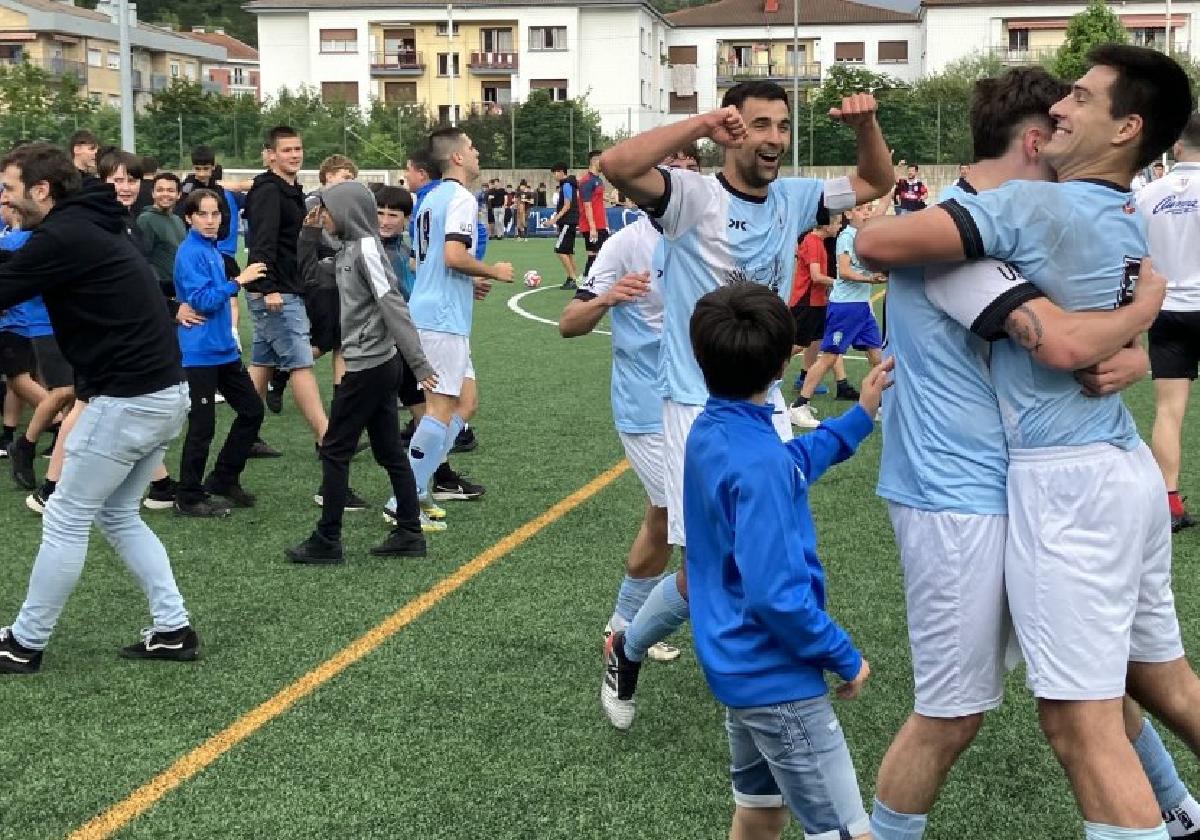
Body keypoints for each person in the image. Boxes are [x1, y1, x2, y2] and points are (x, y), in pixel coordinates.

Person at [856, 45, 1200, 840]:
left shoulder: (1045, 217)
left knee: (1085, 708)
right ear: (1031, 143)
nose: (1065, 120)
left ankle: (1173, 809)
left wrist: (1133, 350)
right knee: (969, 712)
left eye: (1082, 101)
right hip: (963, 497)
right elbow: (1060, 341)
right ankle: (1177, 809)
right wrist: (1138, 321)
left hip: (1060, 486)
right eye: (1059, 109)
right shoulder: (964, 235)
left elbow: (1077, 339)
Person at [598, 79, 893, 728]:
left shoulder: (795, 196)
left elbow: (876, 180)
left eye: (782, 126)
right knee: (705, 559)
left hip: (766, 400)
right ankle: (629, 646)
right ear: (734, 129)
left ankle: (754, 636)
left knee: (770, 533)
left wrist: (865, 125)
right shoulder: (690, 197)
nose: (775, 140)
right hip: (693, 406)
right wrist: (701, 124)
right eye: (760, 126)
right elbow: (616, 166)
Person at [684, 282, 888, 840]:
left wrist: (858, 418)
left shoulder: (711, 431)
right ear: (782, 363)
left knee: (759, 812)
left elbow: (788, 461)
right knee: (847, 832)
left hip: (736, 666)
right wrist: (842, 654)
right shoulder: (759, 464)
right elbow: (777, 595)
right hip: (778, 679)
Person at [0, 142, 197, 674]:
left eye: (10, 191)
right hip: (161, 392)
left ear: (41, 190)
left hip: (129, 399)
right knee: (115, 514)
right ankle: (173, 629)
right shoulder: (93, 221)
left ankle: (24, 643)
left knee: (64, 517)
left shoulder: (64, 234)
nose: (5, 200)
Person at [558, 147, 703, 672]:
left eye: (692, 173)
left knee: (666, 519)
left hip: (706, 401)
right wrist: (608, 297)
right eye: (673, 175)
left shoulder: (712, 237)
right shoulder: (625, 244)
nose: (683, 185)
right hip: (646, 406)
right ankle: (632, 632)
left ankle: (626, 626)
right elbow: (569, 323)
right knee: (681, 520)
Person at [287, 180, 438, 564]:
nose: (325, 217)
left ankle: (328, 540)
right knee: (389, 451)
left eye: (328, 210)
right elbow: (308, 279)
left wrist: (419, 363)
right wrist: (308, 233)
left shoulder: (366, 250)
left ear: (348, 212)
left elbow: (394, 306)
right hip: (375, 363)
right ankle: (409, 532)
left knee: (335, 451)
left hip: (368, 365)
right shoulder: (349, 251)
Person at [396, 128, 512, 526]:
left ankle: (420, 485)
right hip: (440, 319)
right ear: (458, 158)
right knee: (441, 407)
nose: (477, 152)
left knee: (466, 403)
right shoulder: (460, 198)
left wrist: (469, 279)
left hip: (439, 313)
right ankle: (405, 501)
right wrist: (492, 271)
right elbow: (452, 255)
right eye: (473, 147)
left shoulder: (429, 200)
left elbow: (423, 263)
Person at [170, 189, 266, 518]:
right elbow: (203, 301)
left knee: (252, 411)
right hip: (198, 353)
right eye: (204, 215)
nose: (211, 221)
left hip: (222, 350)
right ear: (189, 217)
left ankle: (224, 478)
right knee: (202, 426)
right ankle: (188, 496)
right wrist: (238, 280)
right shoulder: (189, 253)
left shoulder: (211, 249)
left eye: (216, 214)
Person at [243, 125, 329, 455]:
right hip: (277, 292)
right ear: (271, 155)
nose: (294, 155)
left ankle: (245, 434)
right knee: (300, 363)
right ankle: (327, 438)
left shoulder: (290, 189)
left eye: (298, 149)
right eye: (287, 150)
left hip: (288, 288)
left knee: (263, 364)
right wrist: (267, 288)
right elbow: (261, 243)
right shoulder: (268, 191)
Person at [1139, 115, 1200, 533]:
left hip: (1166, 308)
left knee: (1168, 409)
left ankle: (1169, 504)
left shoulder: (1147, 194)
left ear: (1178, 146)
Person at [790, 201, 887, 428]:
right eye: (864, 209)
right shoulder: (846, 237)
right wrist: (870, 279)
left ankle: (881, 405)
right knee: (829, 357)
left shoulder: (863, 234)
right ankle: (798, 406)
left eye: (869, 209)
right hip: (846, 307)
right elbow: (844, 271)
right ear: (849, 213)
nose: (868, 213)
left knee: (877, 356)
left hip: (861, 306)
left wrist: (889, 191)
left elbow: (881, 213)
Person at [789, 216, 848, 396]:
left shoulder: (818, 241)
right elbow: (816, 276)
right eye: (837, 222)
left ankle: (804, 380)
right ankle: (766, 369)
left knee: (814, 340)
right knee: (797, 344)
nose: (839, 226)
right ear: (826, 224)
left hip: (817, 301)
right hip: (806, 301)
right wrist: (841, 283)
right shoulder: (813, 242)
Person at [137, 172, 186, 298]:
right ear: (153, 193)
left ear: (178, 194)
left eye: (170, 190)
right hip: (159, 292)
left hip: (179, 289)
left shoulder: (177, 220)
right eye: (160, 190)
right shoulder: (146, 219)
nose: (165, 194)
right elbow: (143, 258)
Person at [577, 150, 611, 277]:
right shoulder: (586, 181)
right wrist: (592, 228)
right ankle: (585, 279)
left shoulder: (598, 180)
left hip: (600, 225)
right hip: (592, 226)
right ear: (595, 161)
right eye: (603, 161)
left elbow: (598, 200)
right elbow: (587, 204)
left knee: (604, 253)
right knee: (594, 255)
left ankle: (592, 280)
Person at [549, 163, 580, 289]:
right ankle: (573, 278)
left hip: (567, 222)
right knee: (568, 251)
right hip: (570, 222)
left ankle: (573, 279)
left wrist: (554, 220)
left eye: (555, 173)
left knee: (560, 250)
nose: (554, 176)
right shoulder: (568, 184)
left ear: (561, 172)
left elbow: (567, 205)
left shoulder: (567, 185)